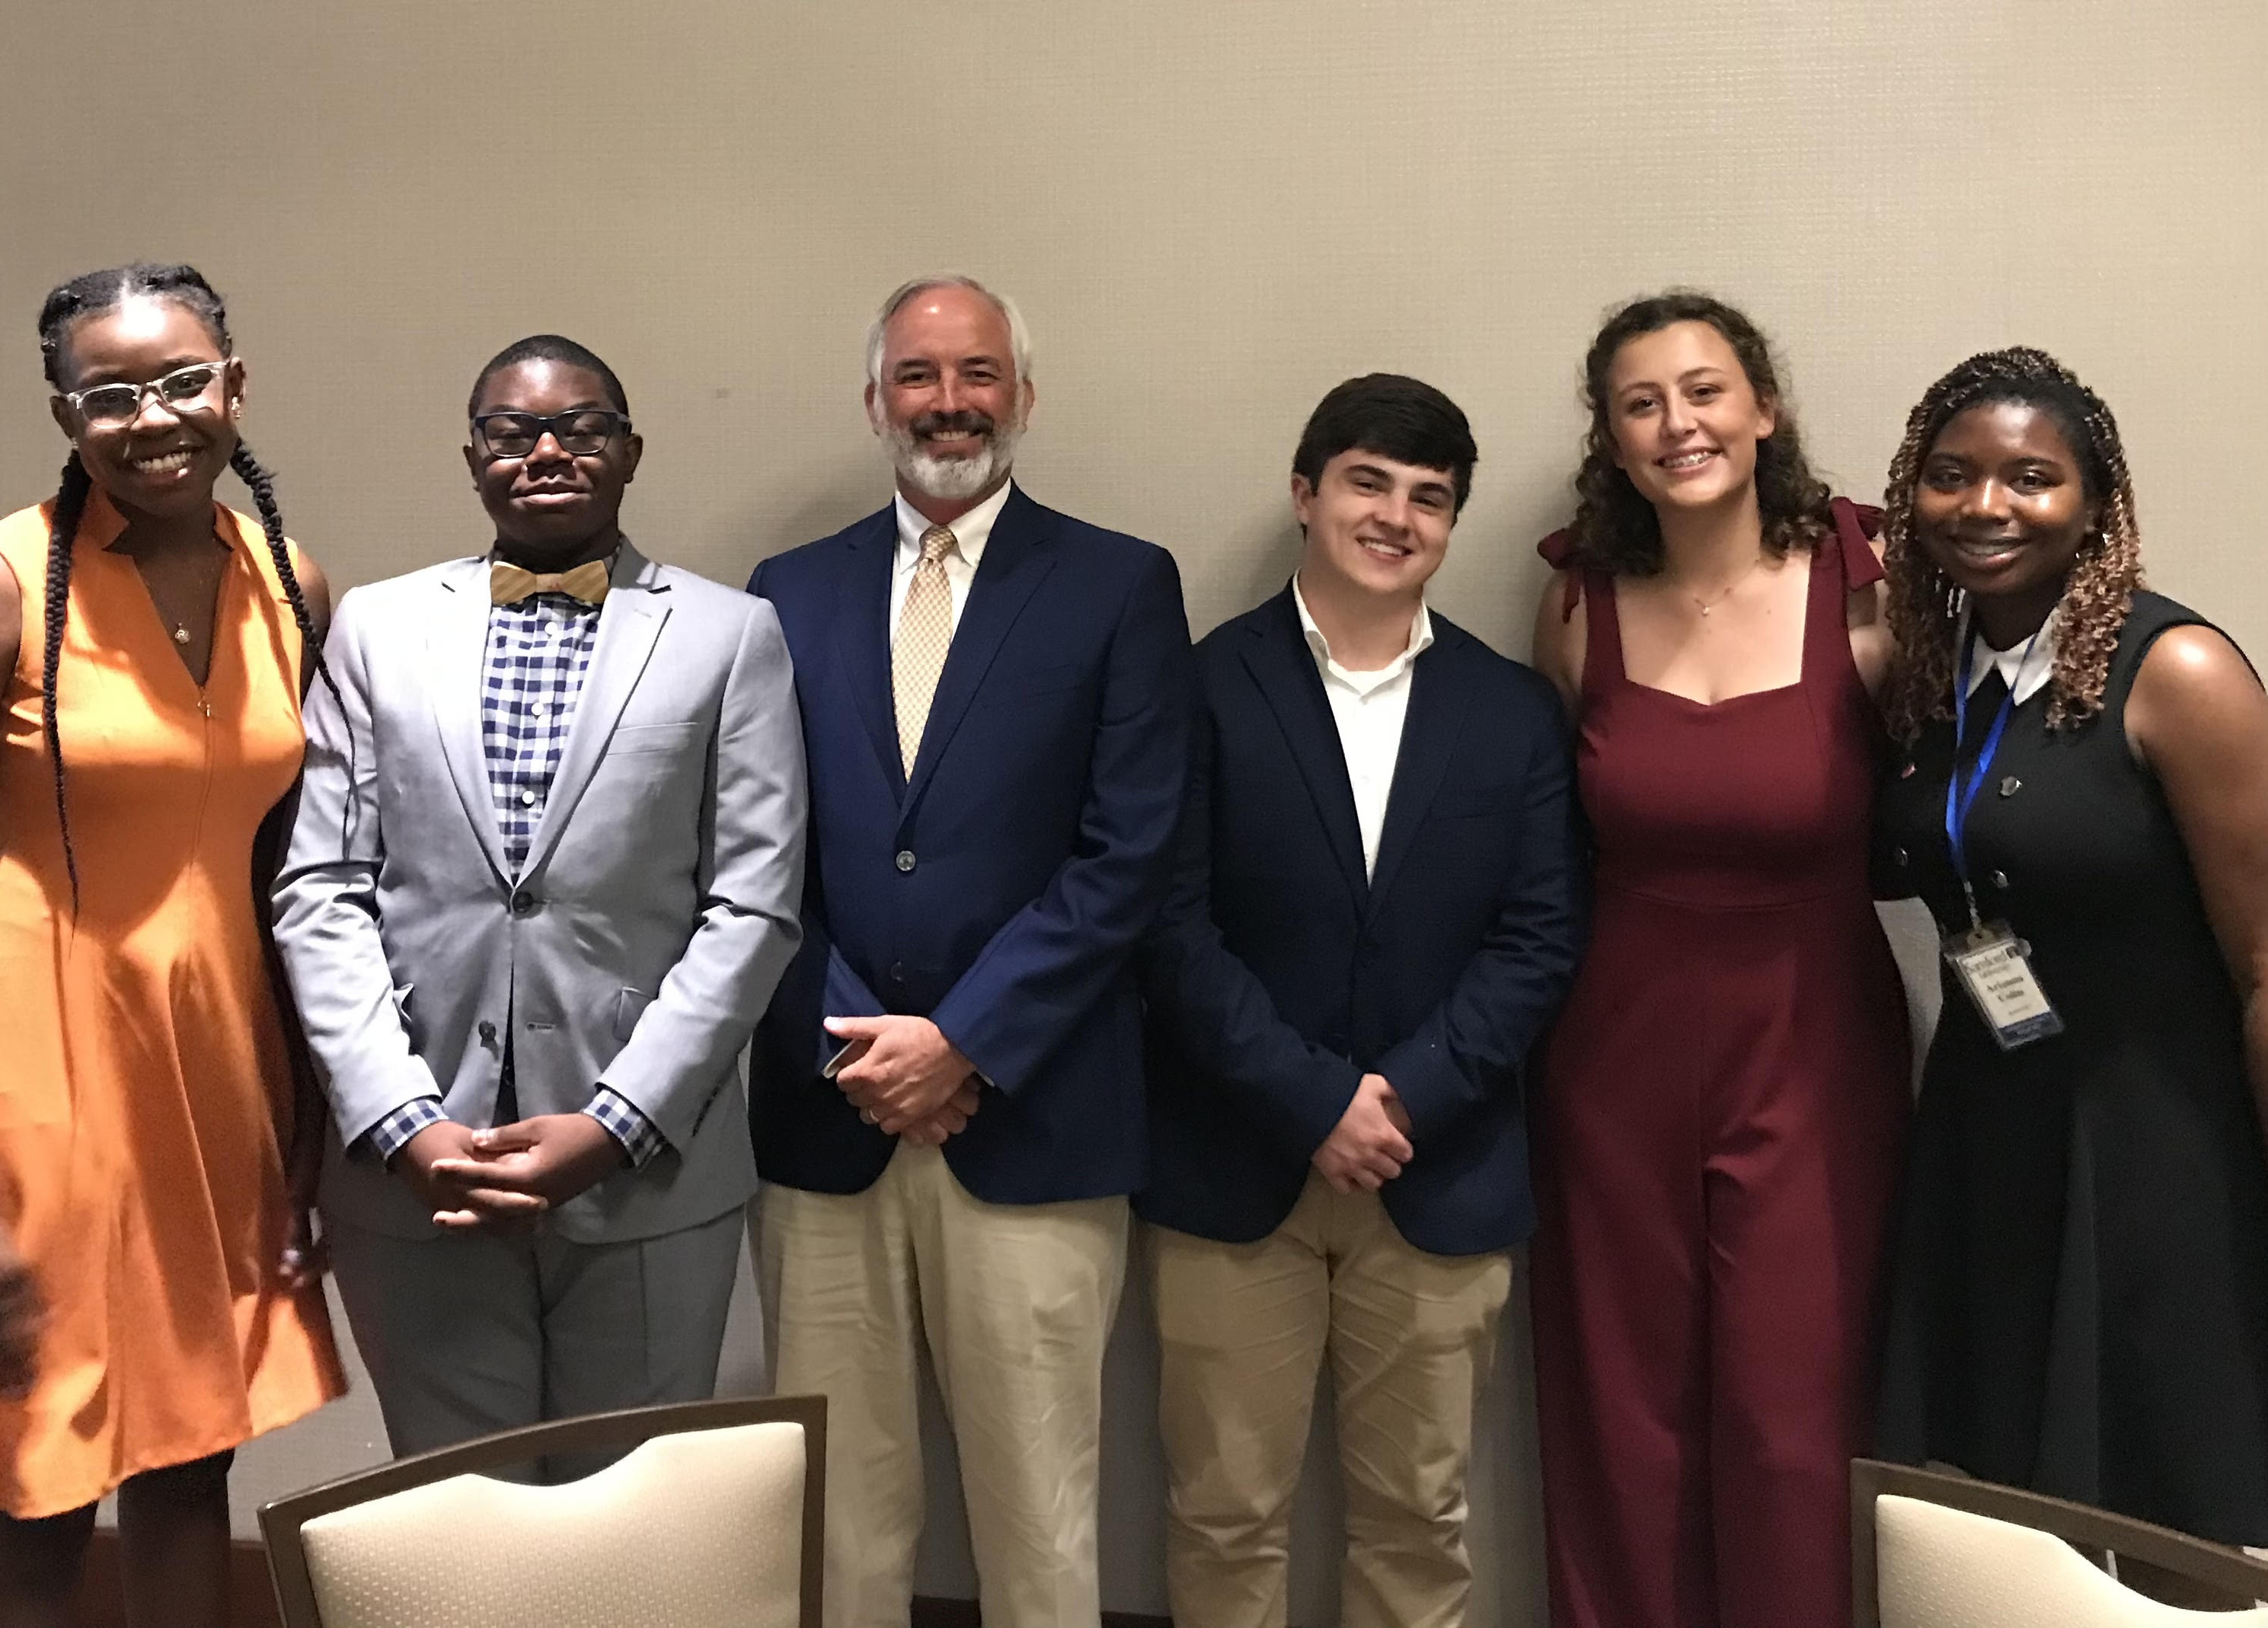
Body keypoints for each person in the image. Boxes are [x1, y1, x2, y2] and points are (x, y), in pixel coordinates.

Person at [0, 263, 344, 1628]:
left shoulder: (288, 582)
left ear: (236, 384)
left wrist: (308, 1109)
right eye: (110, 394)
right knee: (44, 1477)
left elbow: (296, 873)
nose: (155, 416)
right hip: (40, 1069)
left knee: (193, 1457)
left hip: (219, 1061)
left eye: (183, 380)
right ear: (65, 414)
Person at [271, 334, 806, 1477]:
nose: (549, 450)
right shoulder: (376, 626)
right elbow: (321, 889)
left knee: (631, 1521)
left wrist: (617, 1120)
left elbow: (753, 907)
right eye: (515, 431)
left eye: (585, 425)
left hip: (650, 1170)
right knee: (459, 1517)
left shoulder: (730, 636)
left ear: (630, 450)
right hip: (421, 1170)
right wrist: (399, 1119)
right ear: (474, 457)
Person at [745, 274, 1192, 1628]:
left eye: (979, 373)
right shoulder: (788, 593)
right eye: (922, 377)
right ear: (875, 400)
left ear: (1025, 395)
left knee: (1042, 1520)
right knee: (840, 1519)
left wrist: (965, 1041)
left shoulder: (1119, 583)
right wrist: (860, 1047)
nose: (952, 403)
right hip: (832, 1119)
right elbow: (758, 858)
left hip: (1034, 1120)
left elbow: (1128, 859)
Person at [1137, 374, 1582, 1628]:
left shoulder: (1513, 712)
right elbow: (1166, 925)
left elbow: (1540, 936)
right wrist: (1310, 1095)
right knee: (1223, 1515)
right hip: (1235, 1171)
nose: (1396, 516)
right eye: (1368, 482)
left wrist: (1406, 1095)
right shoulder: (1202, 685)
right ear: (1306, 493)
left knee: (1421, 1521)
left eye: (1429, 498)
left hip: (1438, 1174)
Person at [1528, 290, 1911, 1628]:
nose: (1677, 422)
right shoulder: (1577, 605)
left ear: (1765, 407)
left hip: (1813, 1048)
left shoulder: (1871, 593)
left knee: (1792, 1407)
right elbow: (1547, 843)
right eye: (1642, 403)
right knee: (1621, 1408)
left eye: (1703, 390)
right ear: (1613, 440)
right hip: (1611, 1051)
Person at [1873, 346, 2268, 1547]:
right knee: (2006, 1503)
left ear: (2097, 506)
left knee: (2173, 1492)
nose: (1986, 506)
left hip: (2158, 1141)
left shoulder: (2178, 672)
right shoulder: (1929, 681)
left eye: (2031, 477)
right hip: (1988, 1125)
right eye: (1951, 476)